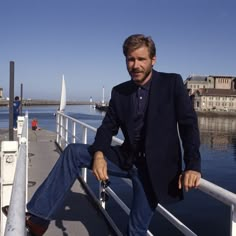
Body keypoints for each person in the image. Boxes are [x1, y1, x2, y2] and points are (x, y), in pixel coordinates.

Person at [2, 34, 201, 236]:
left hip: (154, 171)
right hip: (126, 159)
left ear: (153, 60)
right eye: (131, 59)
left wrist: (192, 165)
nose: (135, 65)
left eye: (141, 59)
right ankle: (38, 218)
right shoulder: (120, 92)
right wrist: (98, 155)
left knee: (135, 230)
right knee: (73, 153)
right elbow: (107, 128)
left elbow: (188, 125)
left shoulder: (172, 83)